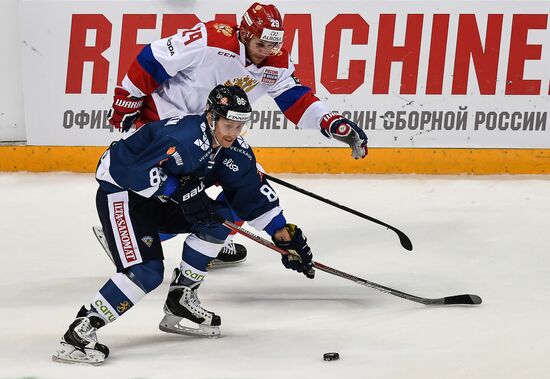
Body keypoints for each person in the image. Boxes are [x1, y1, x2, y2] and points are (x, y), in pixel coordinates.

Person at [52, 85, 315, 365]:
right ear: (211, 116)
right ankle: (79, 333)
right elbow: (119, 169)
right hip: (123, 195)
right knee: (146, 272)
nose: (232, 133)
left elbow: (251, 195)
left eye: (239, 126)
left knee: (219, 221)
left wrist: (283, 235)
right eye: (228, 125)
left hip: (162, 201)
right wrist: (176, 189)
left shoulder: (234, 151)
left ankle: (181, 297)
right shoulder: (182, 136)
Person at [95, 2, 369, 266]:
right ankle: (133, 236)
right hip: (166, 123)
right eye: (260, 44)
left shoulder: (277, 62)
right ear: (245, 34)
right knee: (181, 191)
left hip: (213, 132)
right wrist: (128, 96)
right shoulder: (210, 39)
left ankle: (210, 240)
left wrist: (330, 121)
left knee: (245, 178)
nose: (266, 51)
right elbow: (153, 57)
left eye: (273, 44)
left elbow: (295, 97)